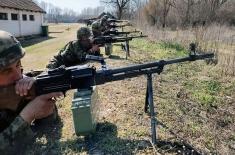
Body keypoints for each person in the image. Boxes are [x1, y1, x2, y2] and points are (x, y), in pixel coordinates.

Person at [0, 30, 63, 153]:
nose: (18, 76)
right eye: (6, 71)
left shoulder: (24, 85)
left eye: (18, 65)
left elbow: (48, 126)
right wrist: (27, 116)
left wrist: (46, 108)